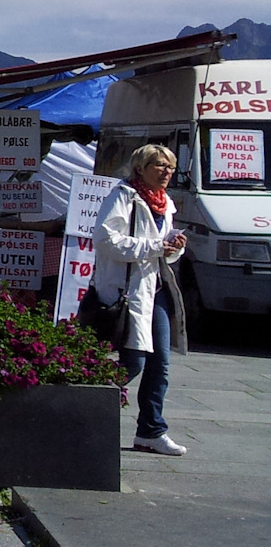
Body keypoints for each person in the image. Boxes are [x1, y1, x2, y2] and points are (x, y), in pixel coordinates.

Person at [93, 143, 190, 456]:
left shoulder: (165, 203)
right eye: (159, 166)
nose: (166, 172)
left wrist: (174, 246)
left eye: (170, 167)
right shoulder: (124, 196)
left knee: (160, 363)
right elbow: (106, 240)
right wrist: (156, 247)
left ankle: (151, 431)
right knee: (132, 363)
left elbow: (164, 249)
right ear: (141, 168)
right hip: (128, 292)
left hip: (155, 290)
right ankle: (81, 403)